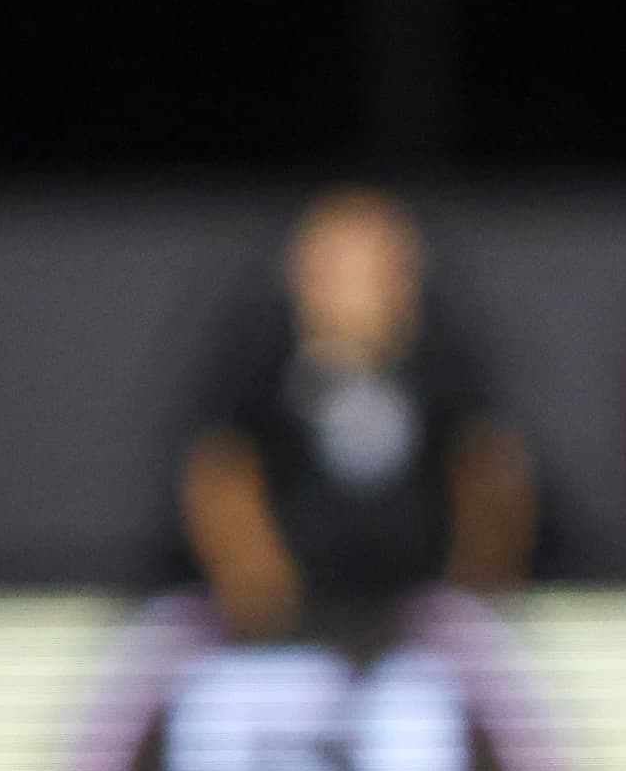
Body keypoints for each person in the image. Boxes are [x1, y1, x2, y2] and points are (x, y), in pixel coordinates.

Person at [179, 187, 537, 636]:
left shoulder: (444, 364)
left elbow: (491, 468)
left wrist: (469, 602)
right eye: (334, 267)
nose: (351, 287)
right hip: (290, 624)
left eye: (370, 267)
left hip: (422, 618)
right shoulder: (261, 364)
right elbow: (218, 472)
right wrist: (262, 600)